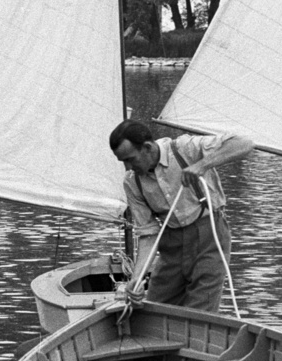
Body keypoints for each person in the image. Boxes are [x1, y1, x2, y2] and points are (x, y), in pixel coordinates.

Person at [109, 119, 254, 312]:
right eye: (123, 162)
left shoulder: (185, 148)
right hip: (172, 245)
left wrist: (202, 165)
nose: (128, 167)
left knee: (200, 311)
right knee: (155, 309)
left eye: (130, 159)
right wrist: (138, 276)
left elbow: (244, 143)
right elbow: (149, 233)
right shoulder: (132, 182)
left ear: (147, 147)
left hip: (210, 238)